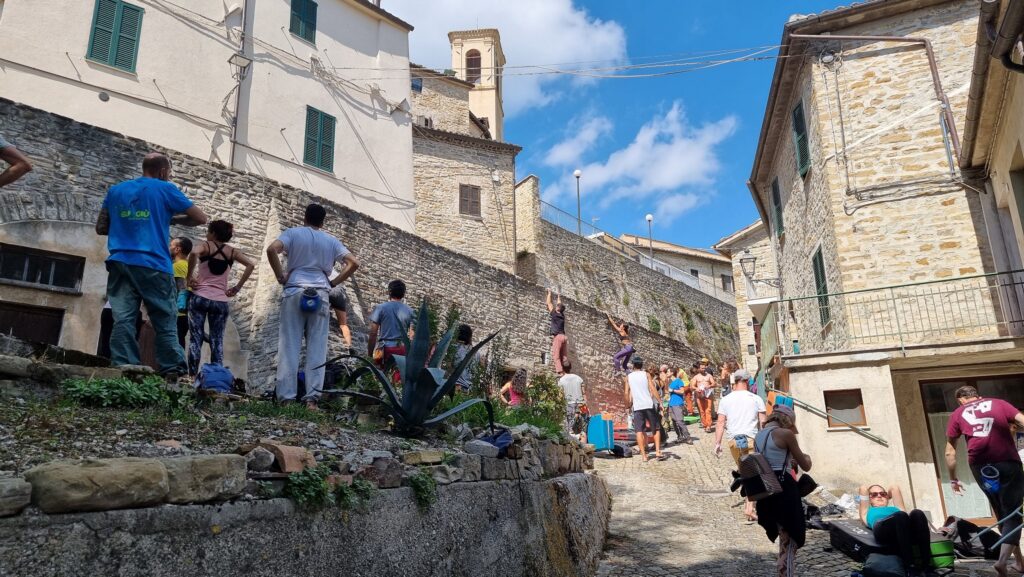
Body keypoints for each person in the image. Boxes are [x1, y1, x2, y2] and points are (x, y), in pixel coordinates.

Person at [95, 152, 207, 377]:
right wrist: (170, 218)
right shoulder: (165, 189)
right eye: (169, 172)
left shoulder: (116, 191)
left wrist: (127, 224)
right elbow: (200, 218)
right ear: (163, 171)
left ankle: (125, 365)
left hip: (120, 262)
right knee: (164, 317)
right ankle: (172, 369)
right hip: (153, 263)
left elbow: (101, 226)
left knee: (124, 317)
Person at [267, 204, 359, 409]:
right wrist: (333, 283)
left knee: (289, 345)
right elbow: (353, 263)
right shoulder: (331, 241)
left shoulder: (292, 233)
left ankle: (287, 400)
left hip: (294, 290)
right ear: (323, 221)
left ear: (305, 217)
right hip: (321, 294)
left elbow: (271, 249)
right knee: (317, 348)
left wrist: (280, 275)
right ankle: (312, 401)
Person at [946, 385, 1024, 577]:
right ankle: (1003, 561)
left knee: (1000, 511)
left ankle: (1020, 562)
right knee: (1013, 512)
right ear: (977, 396)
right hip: (1007, 463)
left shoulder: (957, 413)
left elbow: (950, 451)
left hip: (981, 468)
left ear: (961, 400)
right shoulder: (999, 404)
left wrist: (953, 478)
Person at [185, 220, 255, 376]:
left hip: (200, 297)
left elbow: (194, 252)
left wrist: (189, 277)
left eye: (208, 231)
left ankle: (191, 376)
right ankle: (216, 379)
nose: (206, 234)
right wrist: (237, 287)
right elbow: (251, 264)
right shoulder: (232, 252)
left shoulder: (206, 246)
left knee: (195, 339)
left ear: (214, 233)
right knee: (217, 341)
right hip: (221, 301)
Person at [754, 404, 812, 577]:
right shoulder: (785, 434)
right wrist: (807, 457)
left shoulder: (759, 435)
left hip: (767, 489)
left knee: (784, 538)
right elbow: (805, 466)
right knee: (791, 540)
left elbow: (771, 460)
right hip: (785, 491)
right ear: (787, 421)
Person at [715, 369, 767, 522]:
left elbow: (720, 422)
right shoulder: (756, 398)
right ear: (747, 382)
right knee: (753, 473)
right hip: (751, 439)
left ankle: (749, 504)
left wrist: (717, 443)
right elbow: (763, 423)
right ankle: (750, 508)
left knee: (746, 472)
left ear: (735, 382)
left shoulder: (725, 399)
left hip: (733, 441)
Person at [858, 483, 934, 577]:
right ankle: (910, 566)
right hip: (883, 530)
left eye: (883, 494)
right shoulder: (867, 511)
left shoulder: (896, 508)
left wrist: (886, 496)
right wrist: (880, 495)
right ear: (869, 499)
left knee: (917, 513)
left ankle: (926, 565)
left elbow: (894, 488)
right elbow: (863, 488)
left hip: (903, 530)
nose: (879, 496)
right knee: (900, 515)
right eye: (874, 494)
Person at [367, 280, 414, 378]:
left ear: (389, 292)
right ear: (403, 294)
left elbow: (373, 333)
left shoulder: (380, 308)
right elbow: (412, 336)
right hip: (402, 350)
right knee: (397, 381)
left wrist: (370, 354)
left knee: (379, 380)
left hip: (383, 350)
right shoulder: (410, 311)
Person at [624, 356, 662, 462]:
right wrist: (660, 402)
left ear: (633, 365)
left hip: (637, 406)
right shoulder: (646, 375)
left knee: (639, 431)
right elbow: (652, 388)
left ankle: (644, 456)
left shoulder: (628, 377)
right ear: (641, 365)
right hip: (648, 404)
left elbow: (626, 392)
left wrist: (627, 405)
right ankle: (658, 451)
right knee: (656, 428)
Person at [170, 237, 193, 349]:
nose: (169, 248)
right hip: (185, 314)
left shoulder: (177, 266)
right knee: (179, 342)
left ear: (177, 249)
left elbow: (181, 288)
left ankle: (178, 366)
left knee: (175, 344)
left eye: (171, 245)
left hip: (177, 313)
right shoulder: (188, 265)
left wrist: (178, 309)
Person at [558, 360, 586, 438]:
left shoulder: (561, 380)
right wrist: (585, 403)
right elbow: (584, 393)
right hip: (581, 404)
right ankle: (583, 444)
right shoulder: (579, 378)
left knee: (570, 426)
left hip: (569, 404)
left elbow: (560, 395)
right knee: (583, 425)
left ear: (563, 368)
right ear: (571, 367)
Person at [667, 368, 693, 445]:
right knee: (674, 422)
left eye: (668, 372)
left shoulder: (678, 381)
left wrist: (673, 390)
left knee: (680, 421)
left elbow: (682, 391)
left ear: (672, 373)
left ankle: (688, 437)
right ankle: (680, 436)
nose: (667, 373)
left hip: (678, 403)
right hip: (671, 404)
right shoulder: (671, 382)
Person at [452, 323, 480, 392]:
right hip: (469, 389)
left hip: (454, 387)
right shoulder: (476, 353)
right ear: (470, 336)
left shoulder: (452, 348)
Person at [328, 275, 353, 352]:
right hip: (339, 291)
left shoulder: (324, 268)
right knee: (343, 324)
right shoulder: (336, 273)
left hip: (328, 287)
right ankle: (349, 345)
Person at [546, 290, 568, 375]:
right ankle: (566, 369)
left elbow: (549, 303)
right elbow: (560, 304)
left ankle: (561, 372)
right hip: (564, 337)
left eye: (557, 306)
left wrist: (549, 293)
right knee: (564, 356)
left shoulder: (554, 314)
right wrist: (559, 297)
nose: (556, 306)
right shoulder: (562, 315)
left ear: (558, 308)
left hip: (558, 337)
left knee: (556, 356)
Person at [692, 360, 716, 432]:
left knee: (708, 410)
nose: (703, 369)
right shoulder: (696, 377)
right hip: (699, 395)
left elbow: (714, 384)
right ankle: (705, 424)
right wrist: (697, 388)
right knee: (702, 411)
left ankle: (709, 425)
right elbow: (692, 386)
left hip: (708, 394)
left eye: (704, 368)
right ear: (699, 369)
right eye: (702, 368)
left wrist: (709, 386)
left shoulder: (709, 376)